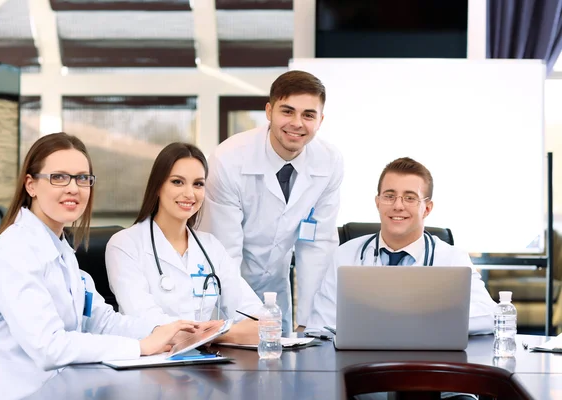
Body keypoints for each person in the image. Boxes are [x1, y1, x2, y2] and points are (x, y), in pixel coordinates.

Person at [0, 133, 198, 400]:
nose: (73, 188)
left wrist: (168, 330)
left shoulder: (62, 249)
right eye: (59, 177)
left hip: (56, 387)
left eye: (82, 178)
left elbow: (101, 319)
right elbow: (49, 346)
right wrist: (140, 347)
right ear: (31, 185)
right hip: (14, 391)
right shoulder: (16, 249)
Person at [199, 70, 344, 332]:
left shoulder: (329, 162)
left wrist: (310, 325)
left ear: (320, 120)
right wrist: (249, 324)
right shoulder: (228, 160)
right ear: (269, 111)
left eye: (308, 115)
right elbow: (224, 255)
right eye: (287, 111)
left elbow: (318, 248)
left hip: (276, 293)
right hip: (226, 292)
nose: (297, 123)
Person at [307, 157, 496, 335]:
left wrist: (417, 317)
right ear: (378, 202)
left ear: (427, 209)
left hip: (424, 363)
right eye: (389, 196)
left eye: (410, 197)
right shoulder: (345, 256)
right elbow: (320, 326)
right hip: (358, 364)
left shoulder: (453, 258)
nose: (398, 206)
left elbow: (490, 315)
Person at [105, 142, 262, 345]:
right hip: (151, 368)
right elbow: (149, 325)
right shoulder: (125, 245)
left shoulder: (211, 247)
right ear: (158, 186)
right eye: (178, 182)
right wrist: (217, 330)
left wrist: (215, 335)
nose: (189, 194)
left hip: (207, 366)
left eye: (198, 184)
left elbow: (262, 323)